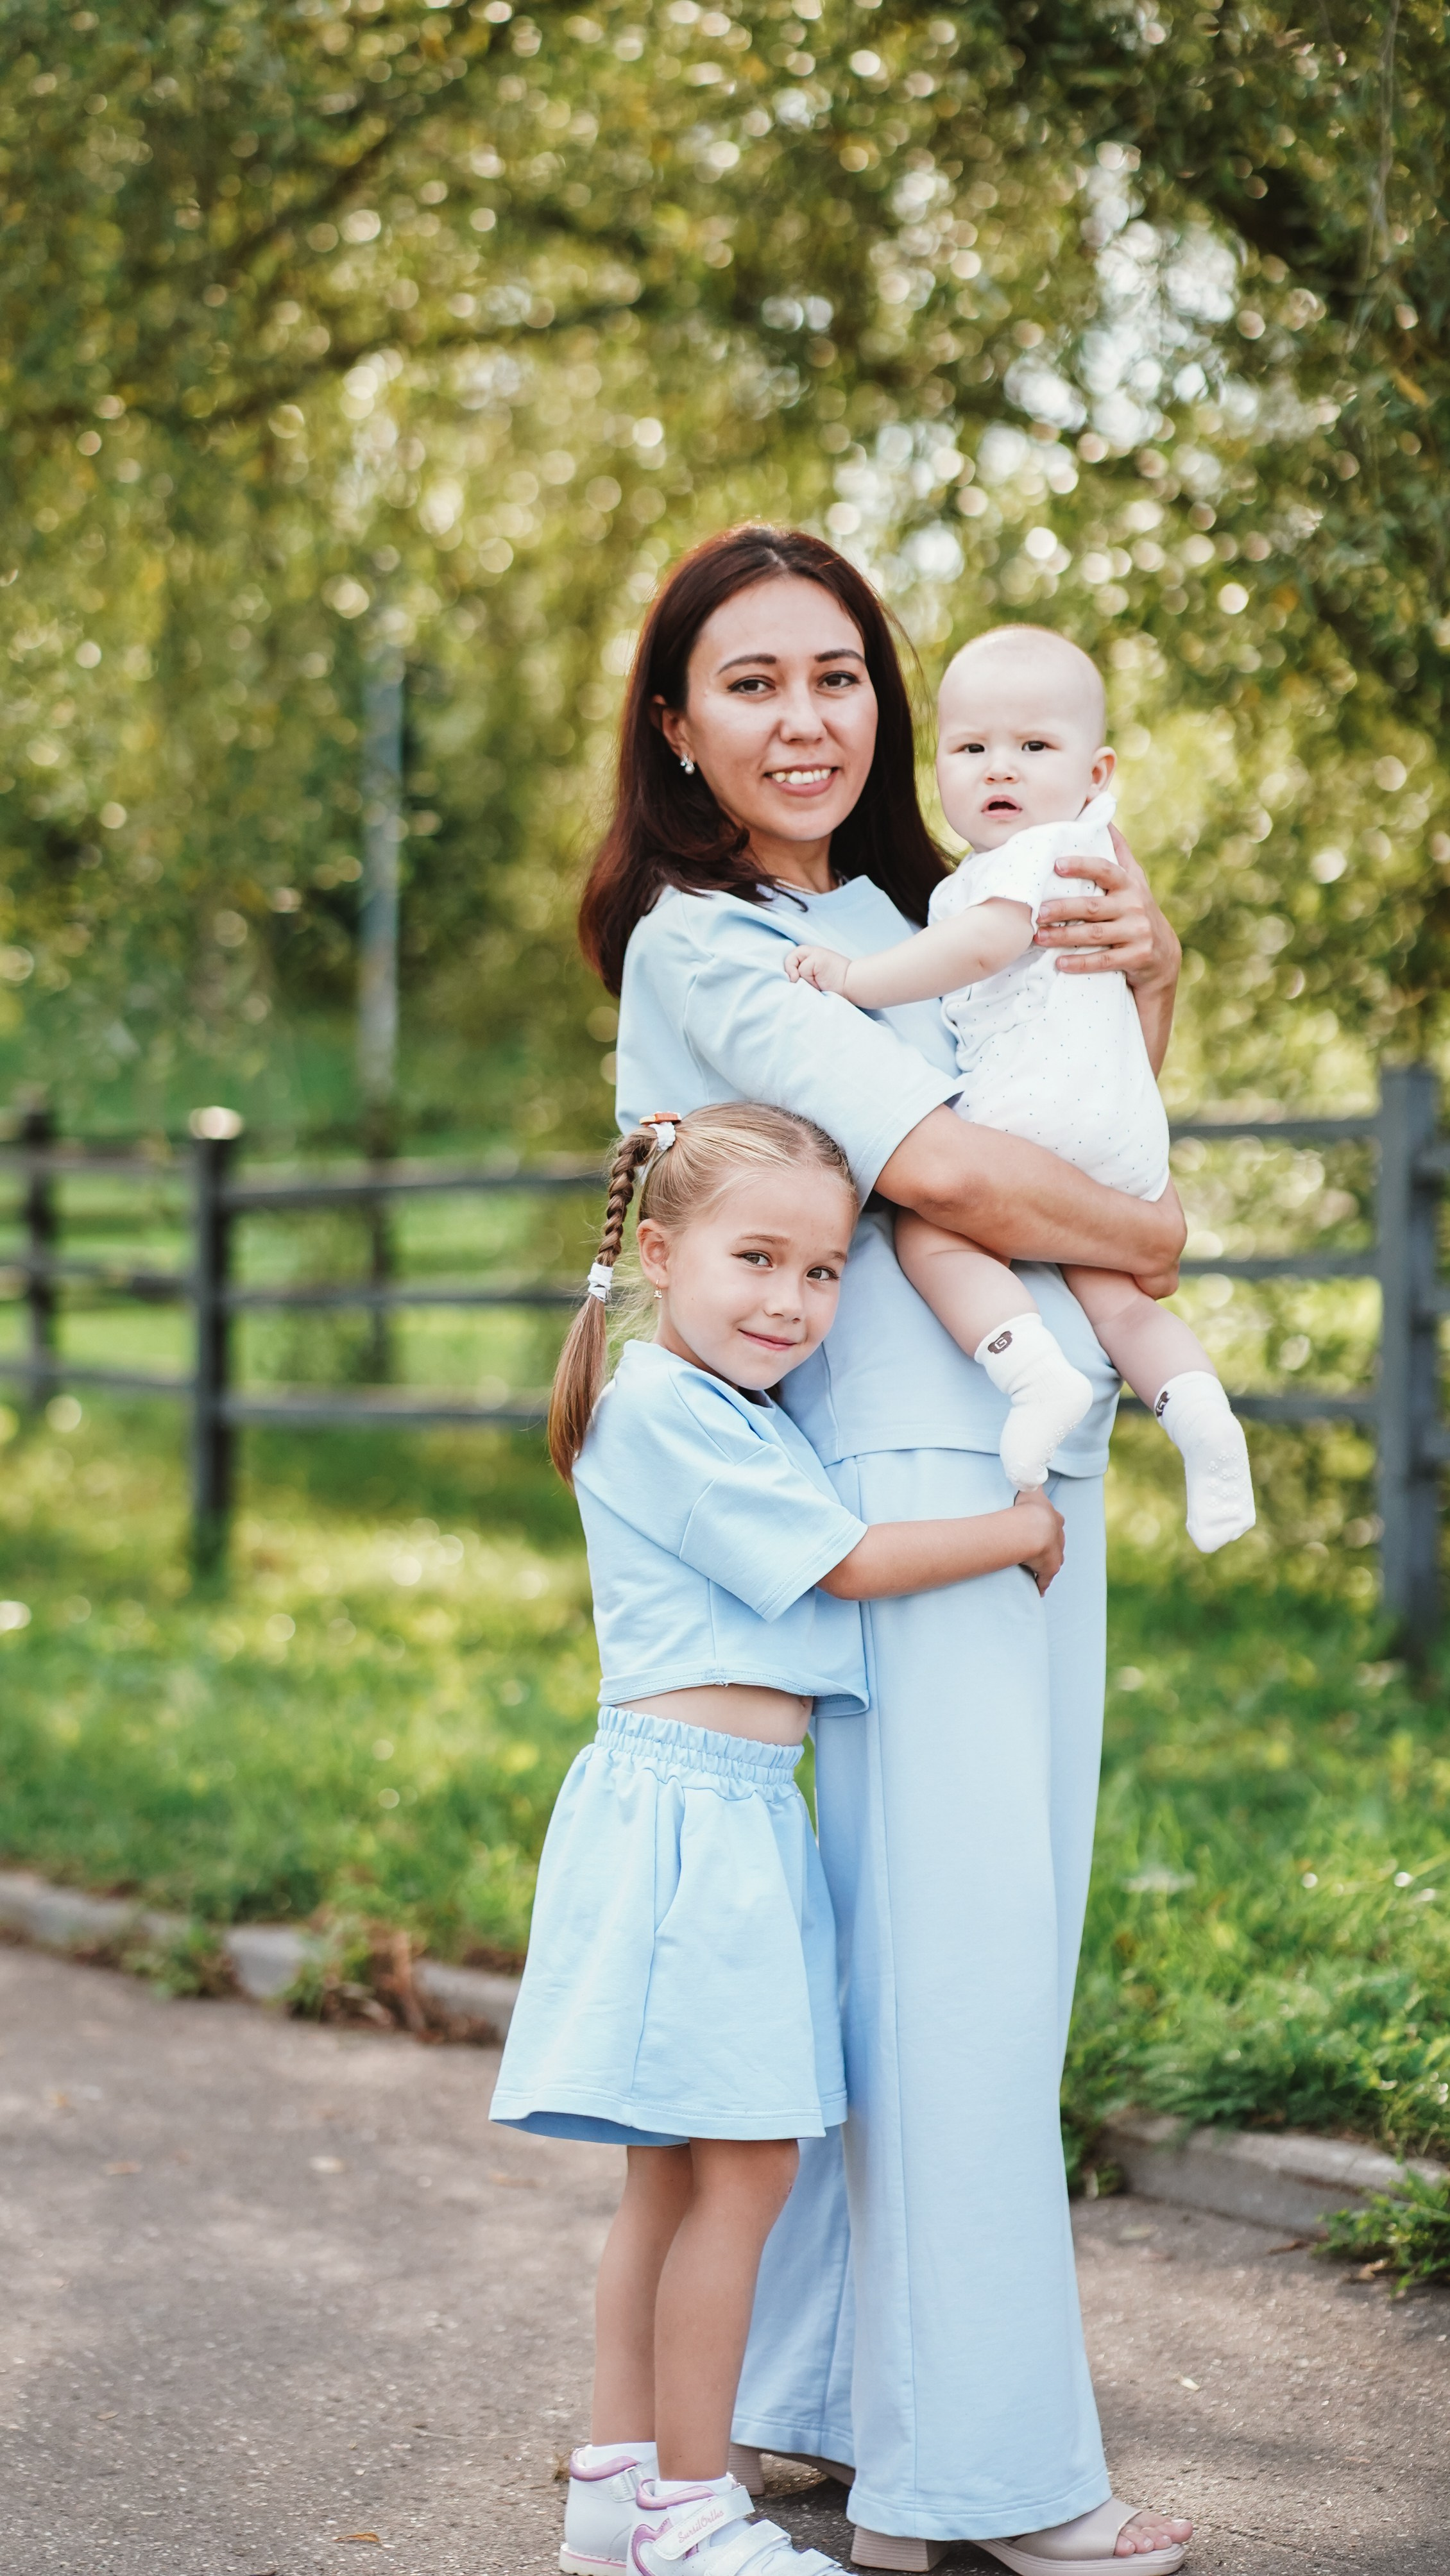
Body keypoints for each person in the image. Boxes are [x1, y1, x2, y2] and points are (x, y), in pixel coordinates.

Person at [576, 524, 1194, 2576]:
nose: (803, 718)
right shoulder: (705, 945)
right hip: (903, 1489)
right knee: (957, 1973)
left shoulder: (909, 911)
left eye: (836, 675)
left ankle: (816, 2408)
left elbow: (1068, 1121)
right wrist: (1161, 1248)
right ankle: (996, 2477)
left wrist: (1152, 981)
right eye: (749, 681)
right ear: (674, 722)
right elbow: (935, 1169)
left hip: (1017, 1459)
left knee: (964, 1961)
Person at [490, 1101, 1065, 2576]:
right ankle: (691, 2508)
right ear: (662, 1253)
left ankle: (618, 2485)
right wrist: (1016, 1525)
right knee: (738, 2176)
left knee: (679, 2177)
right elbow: (854, 1561)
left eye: (820, 1274)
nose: (790, 1302)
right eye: (758, 1259)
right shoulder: (666, 1411)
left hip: (715, 1814)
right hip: (695, 1820)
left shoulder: (712, 1406)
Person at [785, 623, 1254, 1555]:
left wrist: (857, 979)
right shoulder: (1083, 858)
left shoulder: (1031, 861)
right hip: (1118, 1133)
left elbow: (985, 947)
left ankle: (1029, 1370)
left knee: (931, 1227)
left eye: (1033, 747)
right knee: (1122, 1303)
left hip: (1032, 1117)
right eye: (970, 750)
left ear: (1096, 770)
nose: (999, 769)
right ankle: (1204, 1420)